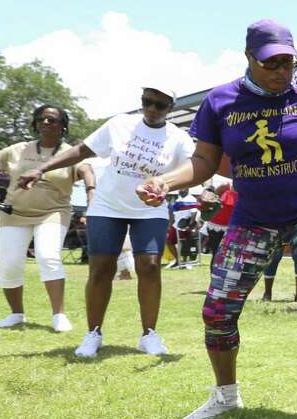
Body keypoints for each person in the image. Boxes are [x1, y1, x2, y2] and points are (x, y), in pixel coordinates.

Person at [137, 19, 297, 419]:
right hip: (252, 217)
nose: (281, 70)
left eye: (288, 61)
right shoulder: (220, 103)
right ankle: (226, 395)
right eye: (271, 63)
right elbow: (202, 163)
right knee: (217, 309)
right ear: (249, 58)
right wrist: (165, 182)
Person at [21, 86, 194, 358]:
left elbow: (193, 167)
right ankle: (94, 333)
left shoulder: (179, 137)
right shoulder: (119, 124)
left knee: (149, 267)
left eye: (159, 105)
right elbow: (81, 150)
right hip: (107, 206)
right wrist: (41, 168)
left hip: (149, 209)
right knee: (101, 268)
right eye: (146, 102)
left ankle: (149, 334)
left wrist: (165, 186)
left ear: (170, 108)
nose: (151, 109)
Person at [0, 105, 94, 332]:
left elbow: (86, 170)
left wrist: (91, 191)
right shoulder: (18, 149)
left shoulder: (69, 152)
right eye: (41, 119)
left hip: (53, 213)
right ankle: (16, 314)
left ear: (63, 126)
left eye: (52, 119)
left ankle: (58, 315)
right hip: (14, 213)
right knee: (10, 264)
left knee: (48, 256)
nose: (46, 123)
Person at [204, 179, 236, 258]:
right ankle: (213, 270)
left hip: (232, 226)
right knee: (216, 253)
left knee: (228, 254)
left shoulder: (246, 188)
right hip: (215, 226)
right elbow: (209, 199)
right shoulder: (225, 185)